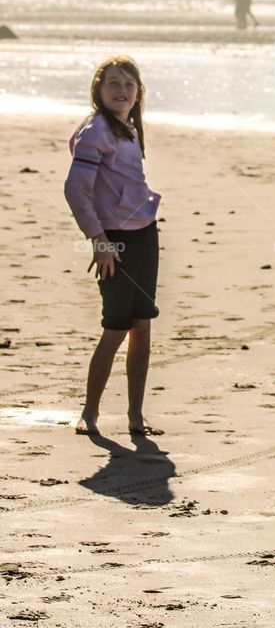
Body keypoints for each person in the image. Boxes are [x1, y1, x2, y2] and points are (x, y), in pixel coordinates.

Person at [64, 56, 163, 438]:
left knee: (142, 325)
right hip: (115, 241)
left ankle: (136, 416)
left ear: (138, 91)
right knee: (116, 327)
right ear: (98, 91)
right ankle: (89, 413)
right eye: (113, 84)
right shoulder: (96, 133)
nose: (121, 91)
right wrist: (99, 241)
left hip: (144, 234)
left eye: (128, 84)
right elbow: (75, 190)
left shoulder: (129, 128)